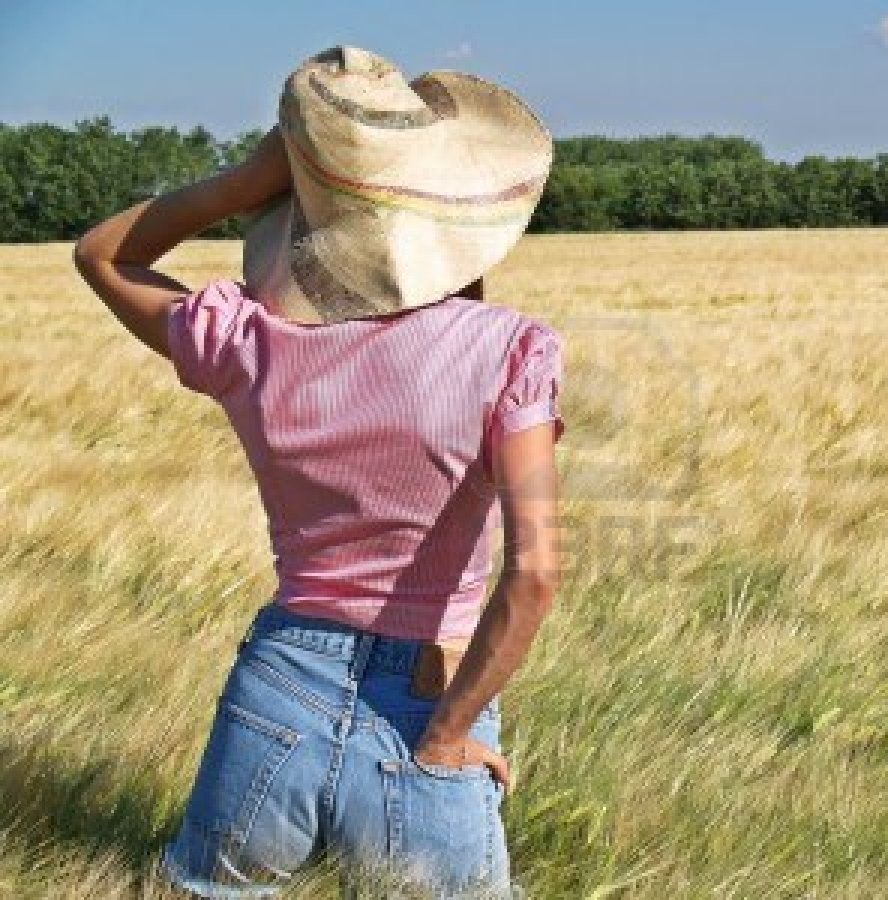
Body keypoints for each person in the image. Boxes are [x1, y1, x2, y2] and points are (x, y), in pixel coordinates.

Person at [73, 46, 563, 899]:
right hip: (430, 694)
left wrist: (250, 176)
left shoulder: (247, 339)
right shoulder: (512, 351)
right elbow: (536, 576)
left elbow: (104, 255)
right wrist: (446, 741)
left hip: (275, 692)